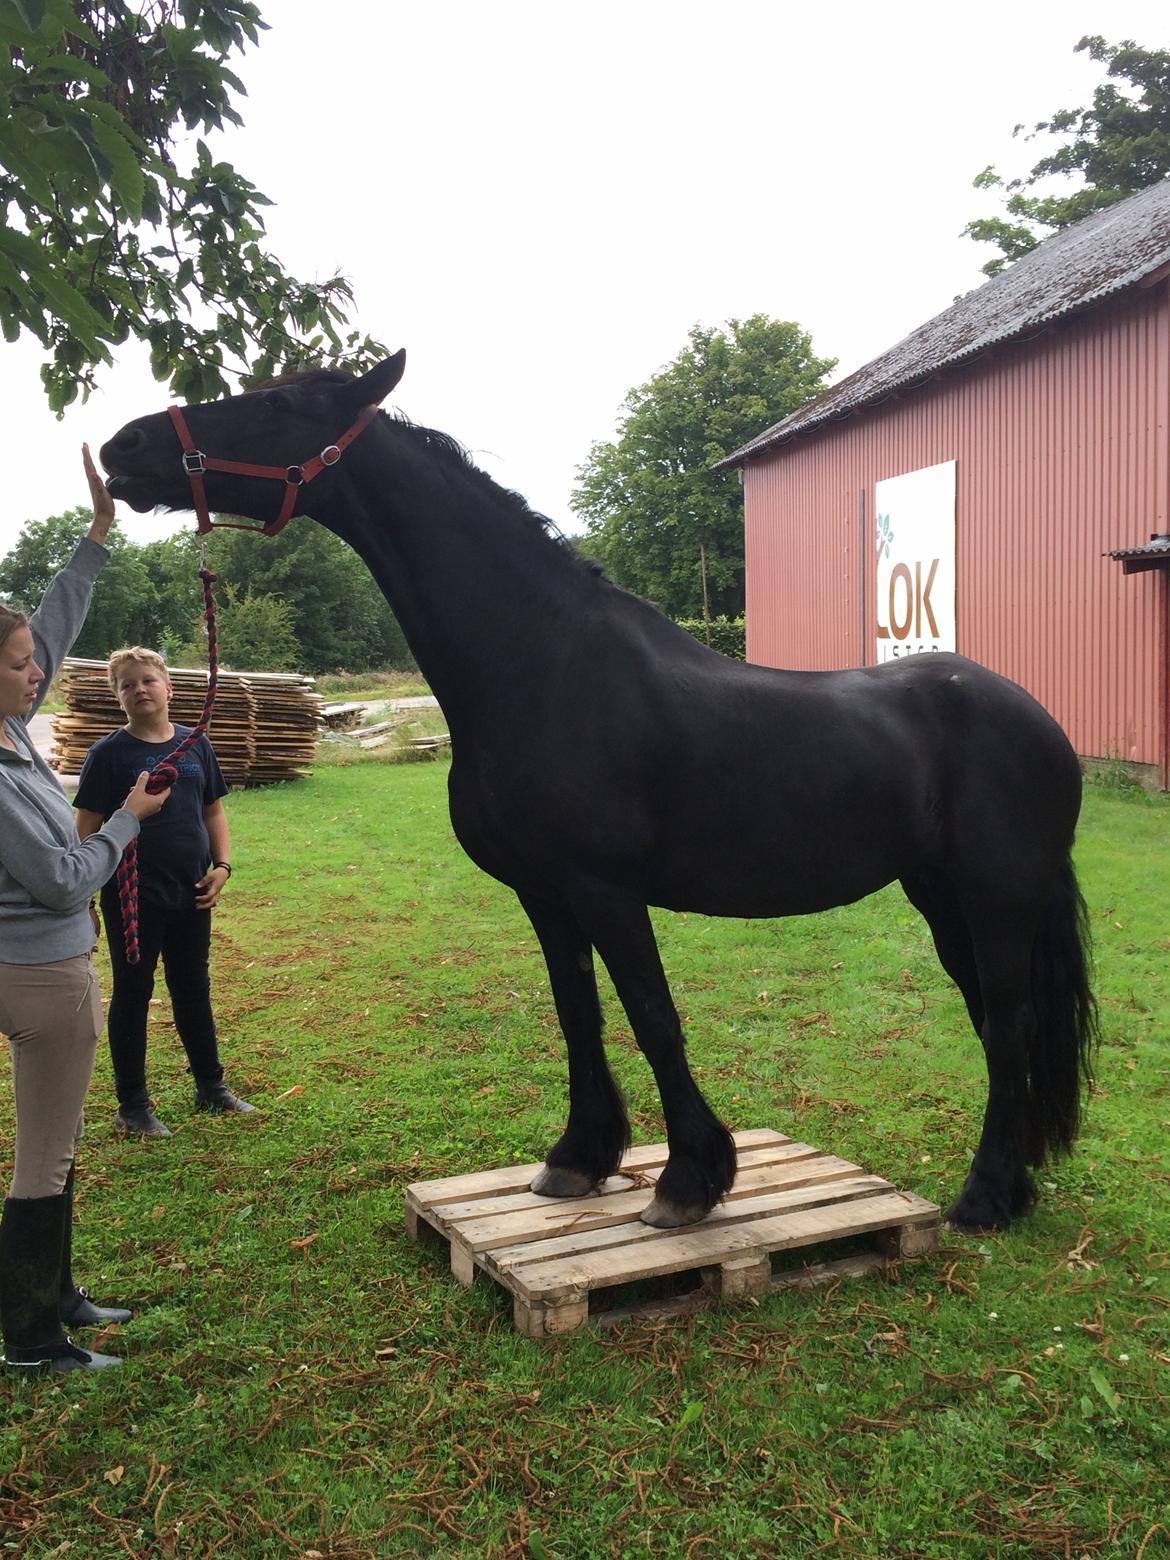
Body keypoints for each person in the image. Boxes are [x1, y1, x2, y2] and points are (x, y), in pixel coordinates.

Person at [0, 447, 171, 1375]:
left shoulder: (7, 724)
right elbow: (66, 878)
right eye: (24, 666)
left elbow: (51, 624)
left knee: (57, 1154)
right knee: (47, 1159)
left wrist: (98, 536)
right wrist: (129, 826)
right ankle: (30, 1338)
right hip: (39, 977)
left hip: (38, 969)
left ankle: (55, 1293)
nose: (41, 674)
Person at [75, 649, 255, 1136]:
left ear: (169, 688)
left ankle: (211, 1088)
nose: (140, 689)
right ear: (118, 698)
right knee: (134, 993)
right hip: (132, 896)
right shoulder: (108, 755)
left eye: (148, 680)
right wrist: (85, 896)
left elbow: (212, 810)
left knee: (192, 987)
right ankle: (132, 1105)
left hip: (192, 890)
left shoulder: (195, 744)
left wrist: (222, 866)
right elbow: (86, 826)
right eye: (127, 684)